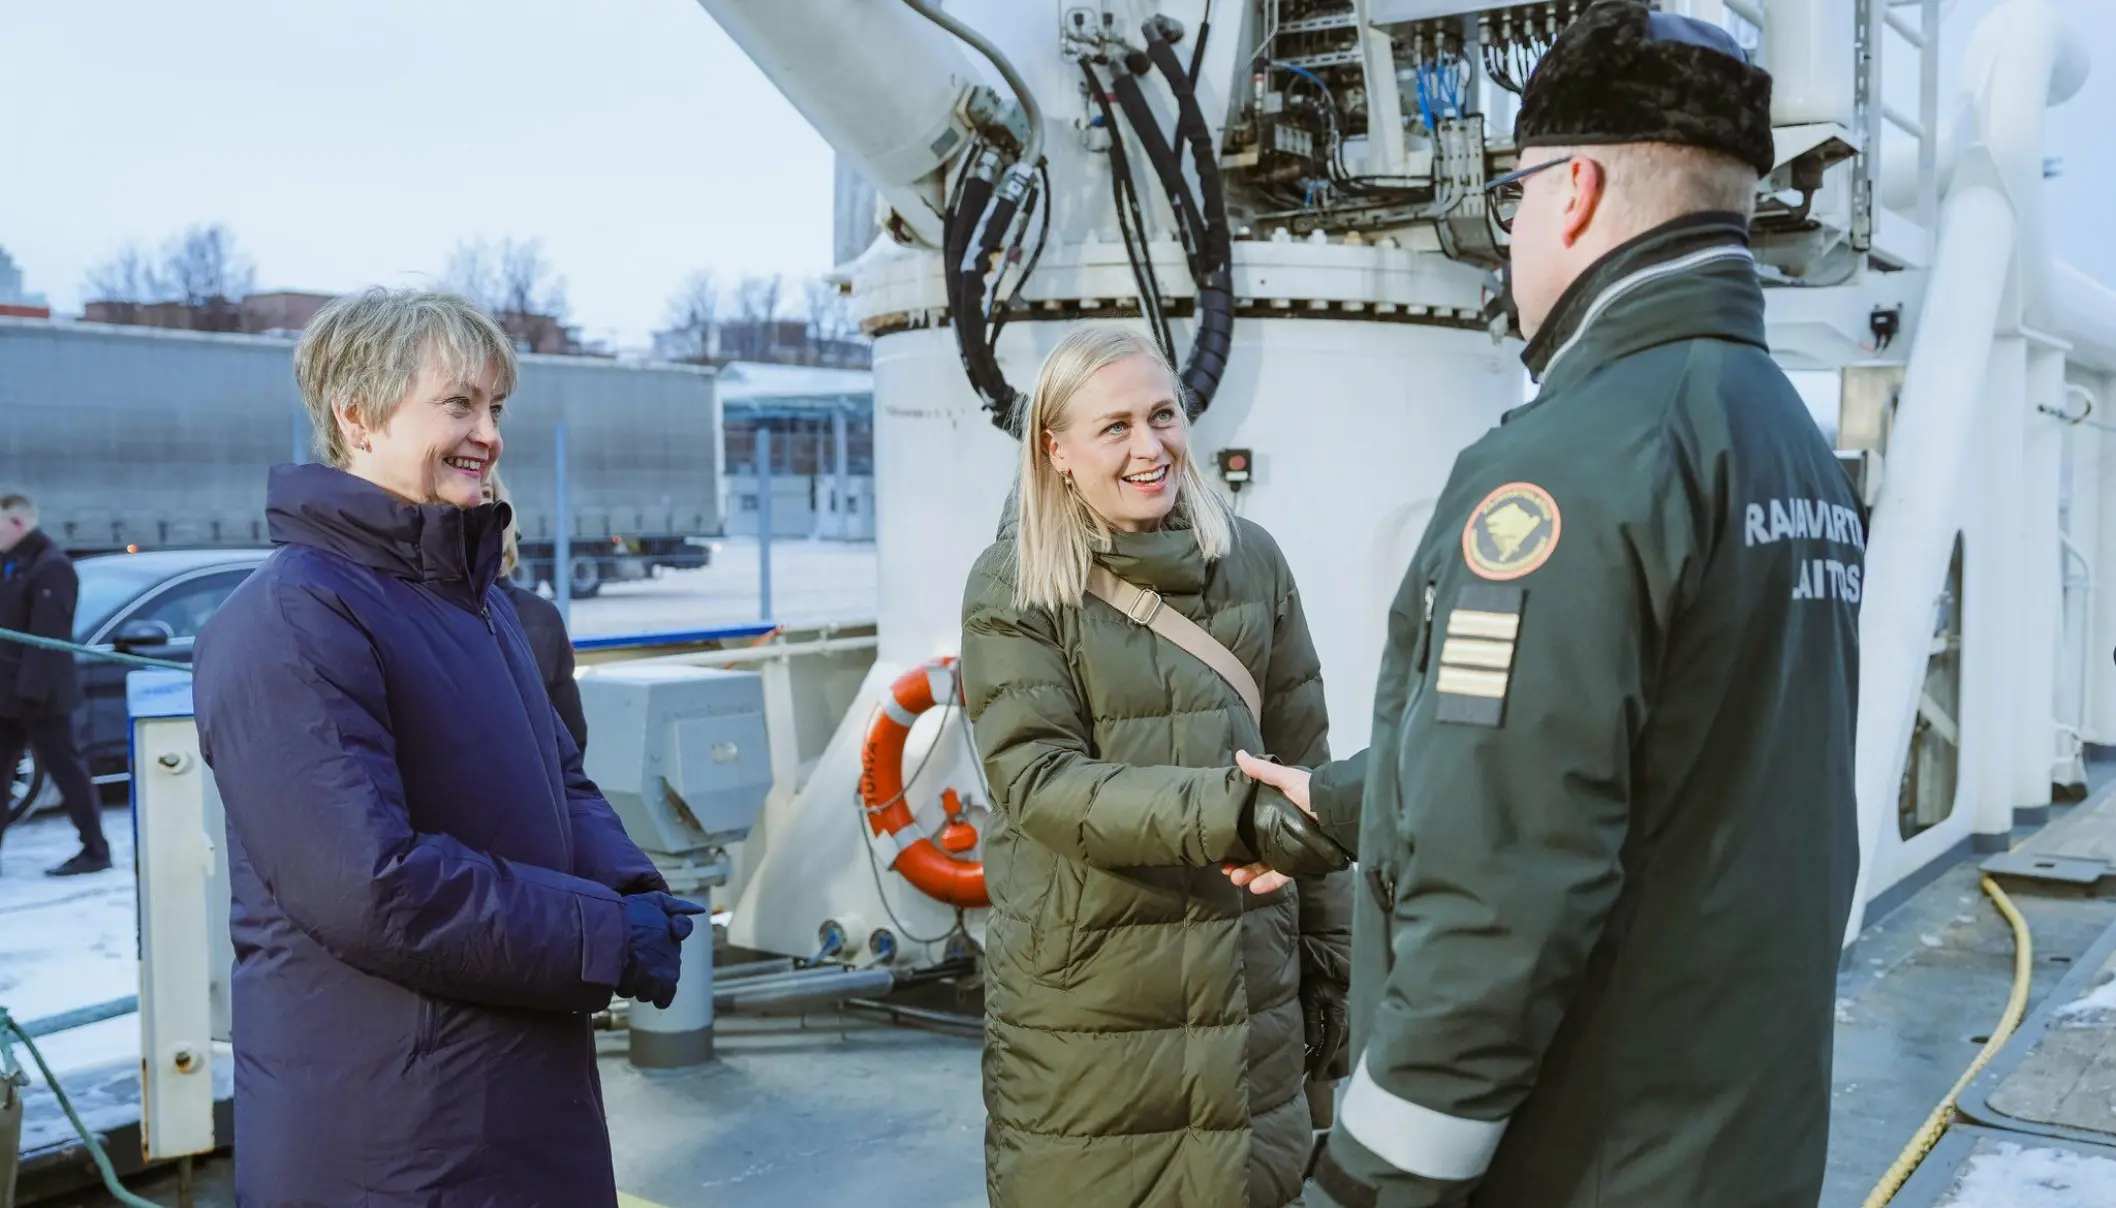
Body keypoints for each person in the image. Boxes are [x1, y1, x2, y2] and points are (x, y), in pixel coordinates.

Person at [1233, 5, 1864, 1206]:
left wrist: (1366, 1178)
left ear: (1572, 191)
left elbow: (1506, 895)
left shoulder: (1573, 465)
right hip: (1737, 1135)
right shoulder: (1784, 439)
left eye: (1513, 195)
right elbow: (1665, 751)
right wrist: (1341, 798)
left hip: (1596, 1156)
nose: (1507, 231)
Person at [191, 288, 701, 1208]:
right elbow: (370, 885)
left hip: (513, 1103)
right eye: (459, 404)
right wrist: (599, 937)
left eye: (495, 407)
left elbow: (563, 783)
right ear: (357, 413)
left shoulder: (480, 605)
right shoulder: (293, 619)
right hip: (390, 1138)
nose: (489, 435)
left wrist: (632, 892)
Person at [959, 326, 1355, 1208]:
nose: (1151, 447)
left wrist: (1332, 960)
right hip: (1093, 1010)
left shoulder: (1252, 562)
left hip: (1248, 992)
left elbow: (1307, 773)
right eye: (1115, 427)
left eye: (1163, 416)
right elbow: (1041, 784)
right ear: (1054, 450)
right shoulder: (1015, 583)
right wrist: (1237, 813)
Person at [0, 492, 108, 877]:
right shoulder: (13, 562)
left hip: (41, 697)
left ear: (16, 523)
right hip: (9, 695)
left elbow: (48, 640)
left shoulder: (51, 567)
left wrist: (28, 696)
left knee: (68, 773)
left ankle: (96, 850)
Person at [486, 469, 588, 753]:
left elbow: (570, 738)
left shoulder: (541, 618)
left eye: (485, 495)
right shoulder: (414, 613)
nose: (474, 508)